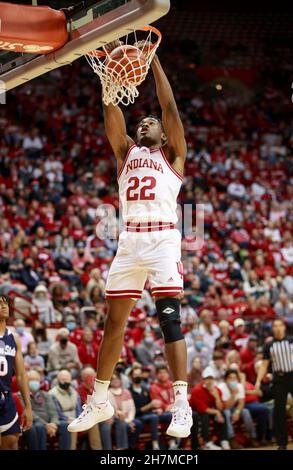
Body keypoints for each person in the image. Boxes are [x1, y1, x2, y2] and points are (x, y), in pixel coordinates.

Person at [68, 47, 192, 437]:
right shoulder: (125, 152)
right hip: (129, 242)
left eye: (152, 122)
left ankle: (181, 404)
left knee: (169, 318)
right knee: (113, 324)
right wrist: (111, 80)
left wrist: (152, 60)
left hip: (161, 240)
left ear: (163, 134)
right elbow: (111, 116)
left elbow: (168, 106)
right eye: (142, 121)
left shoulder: (174, 155)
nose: (147, 123)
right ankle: (100, 399)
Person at [255, 318, 293, 450]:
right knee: (279, 411)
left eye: (280, 325)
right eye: (275, 326)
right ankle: (282, 443)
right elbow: (264, 365)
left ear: (284, 327)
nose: (278, 328)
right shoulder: (269, 345)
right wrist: (258, 381)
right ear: (273, 329)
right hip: (279, 379)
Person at [0, 295, 32, 450]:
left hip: (6, 397)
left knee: (12, 443)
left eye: (5, 303)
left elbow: (21, 375)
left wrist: (28, 406)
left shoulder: (15, 338)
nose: (4, 306)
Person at [50, 369, 101, 450]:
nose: (65, 381)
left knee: (93, 423)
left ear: (70, 380)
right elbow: (57, 413)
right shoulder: (53, 394)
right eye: (62, 379)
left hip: (76, 419)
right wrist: (69, 419)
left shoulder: (74, 392)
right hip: (62, 422)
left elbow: (78, 409)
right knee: (72, 426)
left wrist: (80, 418)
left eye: (67, 379)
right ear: (58, 380)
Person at [24, 369, 69, 450]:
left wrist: (53, 423)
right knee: (39, 426)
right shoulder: (22, 396)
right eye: (31, 380)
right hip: (36, 423)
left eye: (36, 380)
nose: (34, 382)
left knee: (65, 425)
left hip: (50, 423)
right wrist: (46, 424)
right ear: (26, 381)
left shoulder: (45, 394)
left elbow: (53, 411)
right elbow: (31, 413)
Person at [100, 372, 143, 450]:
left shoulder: (126, 392)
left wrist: (129, 420)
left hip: (127, 418)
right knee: (119, 424)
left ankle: (127, 446)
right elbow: (112, 410)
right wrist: (126, 421)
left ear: (120, 380)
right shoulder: (107, 393)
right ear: (109, 381)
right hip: (115, 417)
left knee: (138, 424)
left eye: (117, 379)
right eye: (113, 379)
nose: (115, 381)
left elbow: (132, 409)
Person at [190, 367, 230, 450]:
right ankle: (207, 442)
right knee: (205, 416)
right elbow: (202, 409)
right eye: (207, 379)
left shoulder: (217, 390)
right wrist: (217, 412)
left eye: (211, 378)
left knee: (223, 413)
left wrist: (217, 397)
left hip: (209, 412)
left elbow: (220, 408)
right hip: (195, 413)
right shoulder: (197, 390)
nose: (209, 381)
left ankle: (224, 440)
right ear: (203, 380)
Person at [219, 369, 259, 449]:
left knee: (246, 412)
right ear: (226, 379)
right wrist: (233, 394)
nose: (233, 380)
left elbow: (241, 402)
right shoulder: (221, 388)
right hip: (223, 410)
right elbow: (225, 406)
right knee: (227, 413)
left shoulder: (239, 386)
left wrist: (237, 412)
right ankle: (232, 439)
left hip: (233, 408)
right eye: (230, 378)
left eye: (235, 378)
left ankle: (252, 437)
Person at [129, 367, 161, 450]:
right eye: (135, 375)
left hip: (148, 415)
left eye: (139, 374)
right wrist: (149, 406)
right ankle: (155, 444)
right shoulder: (128, 392)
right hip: (136, 416)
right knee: (153, 417)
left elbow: (150, 405)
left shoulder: (145, 389)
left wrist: (155, 409)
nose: (138, 376)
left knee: (159, 415)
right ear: (130, 377)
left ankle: (173, 442)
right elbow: (134, 412)